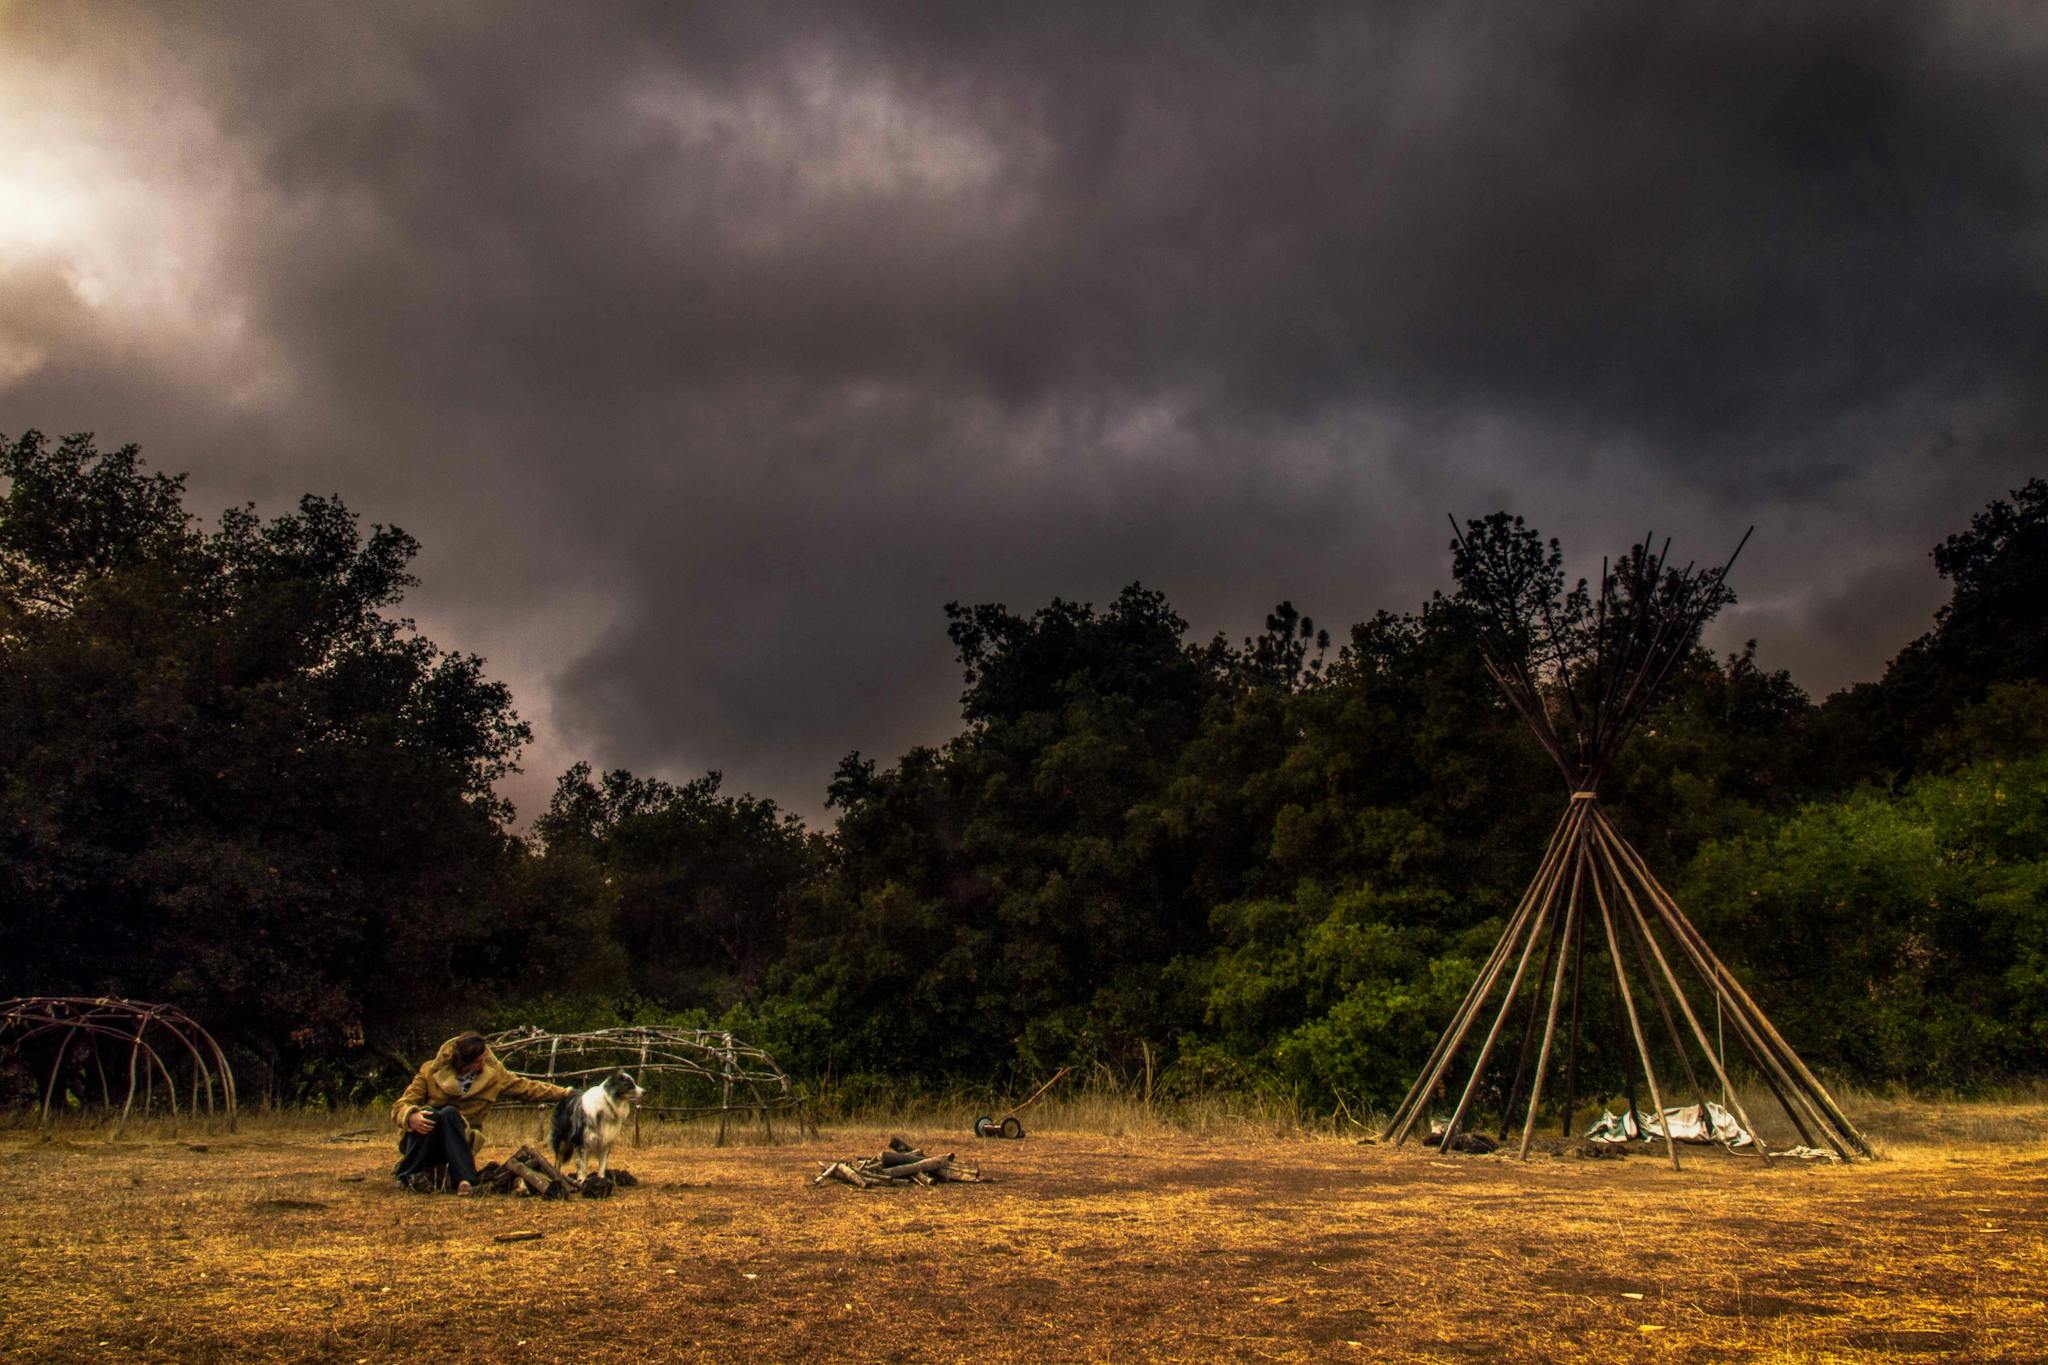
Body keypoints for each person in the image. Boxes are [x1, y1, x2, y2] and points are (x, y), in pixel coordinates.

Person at [391, 1030, 572, 1194]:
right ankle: (409, 1174)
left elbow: (527, 1088)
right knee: (429, 1112)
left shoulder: (493, 1075)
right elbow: (400, 1105)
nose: (482, 1063)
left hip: (460, 1140)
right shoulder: (429, 1071)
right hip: (427, 1139)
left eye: (483, 1058)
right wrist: (410, 1116)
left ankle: (464, 1180)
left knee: (450, 1113)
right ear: (463, 1062)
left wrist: (565, 1093)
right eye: (477, 1061)